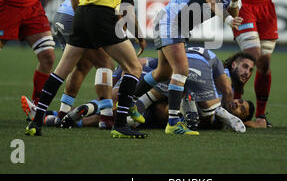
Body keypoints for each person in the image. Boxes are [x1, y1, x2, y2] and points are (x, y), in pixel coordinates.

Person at [24, 0, 174, 138]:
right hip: (102, 15)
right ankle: (119, 124)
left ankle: (36, 122)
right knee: (133, 67)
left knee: (62, 70)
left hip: (81, 14)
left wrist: (80, 13)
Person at [21, 0, 149, 130]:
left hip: (67, 15)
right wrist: (139, 36)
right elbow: (126, 12)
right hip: (78, 18)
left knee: (81, 65)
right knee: (105, 64)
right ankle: (106, 116)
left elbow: (116, 13)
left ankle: (59, 113)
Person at [133, 0, 248, 136]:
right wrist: (229, 19)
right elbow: (212, 1)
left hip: (179, 26)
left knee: (164, 72)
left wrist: (234, 2)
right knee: (181, 70)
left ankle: (128, 102)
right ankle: (173, 123)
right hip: (171, 21)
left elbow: (233, 9)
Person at [56, 49, 257, 133]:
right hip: (165, 86)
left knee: (122, 109)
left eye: (250, 70)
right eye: (245, 66)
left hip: (162, 88)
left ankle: (58, 117)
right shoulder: (221, 81)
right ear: (234, 63)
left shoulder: (221, 85)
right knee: (129, 103)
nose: (247, 72)